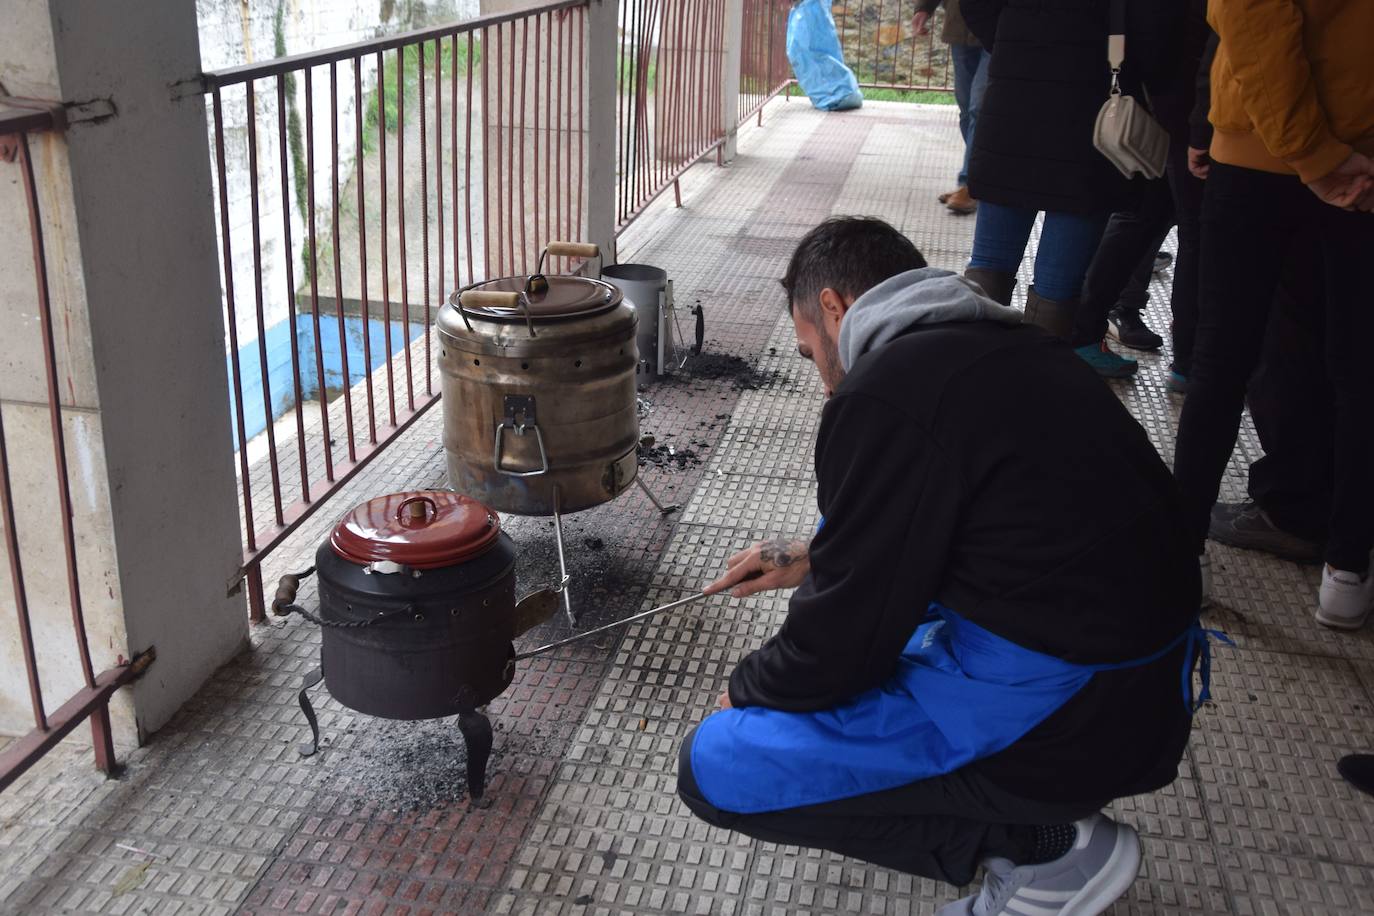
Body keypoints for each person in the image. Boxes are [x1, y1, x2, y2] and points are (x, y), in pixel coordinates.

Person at [677, 218, 1207, 915]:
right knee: (869, 590)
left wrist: (752, 688)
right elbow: (993, 517)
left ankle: (1043, 849)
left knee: (717, 764)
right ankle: (1032, 818)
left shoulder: (883, 392)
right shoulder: (1010, 342)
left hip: (1072, 718)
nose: (826, 386)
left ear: (834, 308)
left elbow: (842, 646)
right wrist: (815, 556)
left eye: (811, 354)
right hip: (1147, 691)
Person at [1171, 0, 1374, 625]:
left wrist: (1312, 156)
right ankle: (1347, 570)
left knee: (1222, 360)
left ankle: (1182, 558)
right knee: (1359, 366)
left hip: (1260, 153)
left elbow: (1253, 24)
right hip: (1364, 161)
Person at [958, 0, 1183, 378]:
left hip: (1013, 105)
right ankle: (1038, 382)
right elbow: (1154, 31)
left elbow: (976, 7)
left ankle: (972, 374)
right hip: (1088, 113)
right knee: (1058, 283)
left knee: (989, 263)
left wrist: (1019, 42)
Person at [913, 0, 989, 215]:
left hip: (1000, 28)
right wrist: (924, 8)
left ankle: (970, 185)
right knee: (966, 109)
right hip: (960, 25)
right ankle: (974, 182)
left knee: (979, 107)